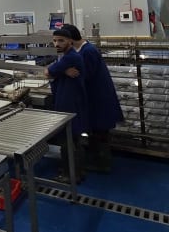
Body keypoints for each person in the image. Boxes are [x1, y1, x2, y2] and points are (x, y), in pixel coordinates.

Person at [61, 24, 123, 173]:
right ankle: (98, 159)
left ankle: (103, 164)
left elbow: (84, 74)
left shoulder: (88, 51)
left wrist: (62, 73)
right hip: (94, 96)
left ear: (70, 39)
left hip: (99, 97)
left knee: (100, 131)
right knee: (96, 130)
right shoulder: (84, 49)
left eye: (61, 40)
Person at [45, 28, 89, 183]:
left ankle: (70, 175)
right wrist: (62, 72)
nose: (57, 43)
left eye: (61, 40)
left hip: (69, 103)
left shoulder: (71, 57)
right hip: (68, 100)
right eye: (55, 40)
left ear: (70, 41)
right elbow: (53, 72)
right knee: (73, 139)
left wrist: (57, 71)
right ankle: (75, 171)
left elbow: (48, 72)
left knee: (67, 139)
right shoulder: (66, 58)